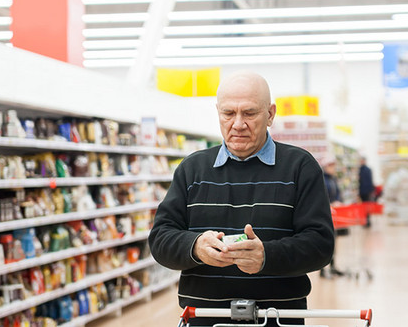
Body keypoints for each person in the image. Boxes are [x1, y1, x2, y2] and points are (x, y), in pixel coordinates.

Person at [148, 71, 335, 327]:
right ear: (218, 112)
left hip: (278, 319)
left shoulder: (300, 168)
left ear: (270, 114)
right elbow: (160, 239)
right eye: (228, 113)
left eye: (249, 113)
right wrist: (195, 246)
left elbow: (320, 245)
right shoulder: (192, 170)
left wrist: (267, 255)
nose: (237, 124)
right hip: (204, 319)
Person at [320, 157, 346, 278]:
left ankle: (333, 266)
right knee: (324, 242)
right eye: (331, 166)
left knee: (334, 242)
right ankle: (322, 269)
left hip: (335, 215)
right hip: (326, 215)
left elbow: (338, 194)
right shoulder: (322, 179)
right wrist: (329, 204)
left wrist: (339, 202)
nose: (333, 168)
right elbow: (321, 197)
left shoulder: (333, 179)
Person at [358, 156, 375, 228]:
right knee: (364, 207)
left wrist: (371, 191)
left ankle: (367, 222)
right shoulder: (360, 170)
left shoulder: (367, 170)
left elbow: (370, 180)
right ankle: (365, 221)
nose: (361, 162)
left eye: (362, 161)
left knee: (366, 207)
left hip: (366, 191)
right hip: (362, 191)